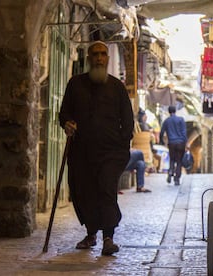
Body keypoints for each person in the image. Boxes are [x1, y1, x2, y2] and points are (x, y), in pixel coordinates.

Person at [59, 40, 134, 256]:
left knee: (106, 189)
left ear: (107, 59)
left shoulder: (117, 87)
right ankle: (91, 233)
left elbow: (127, 120)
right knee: (84, 192)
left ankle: (108, 238)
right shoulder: (75, 84)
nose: (99, 57)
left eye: (103, 54)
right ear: (89, 58)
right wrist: (68, 123)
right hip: (82, 152)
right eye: (95, 54)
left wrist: (122, 143)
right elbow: (64, 113)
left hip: (111, 152)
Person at [159, 105, 187, 186]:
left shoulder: (166, 121)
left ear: (169, 112)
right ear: (175, 111)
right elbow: (184, 132)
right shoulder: (181, 119)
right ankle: (177, 179)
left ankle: (170, 171)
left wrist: (161, 141)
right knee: (179, 161)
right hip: (180, 143)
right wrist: (185, 143)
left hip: (171, 143)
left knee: (172, 159)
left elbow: (161, 132)